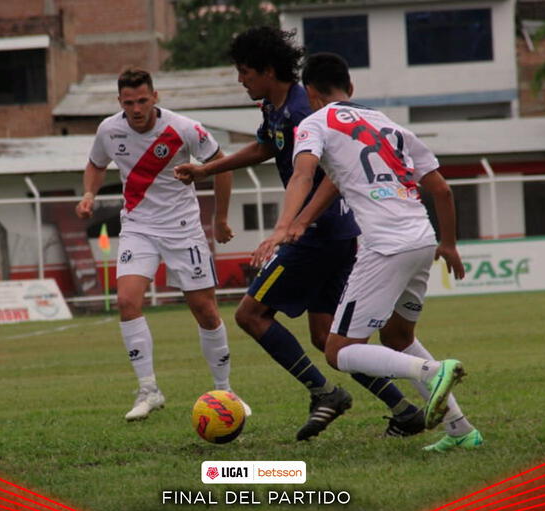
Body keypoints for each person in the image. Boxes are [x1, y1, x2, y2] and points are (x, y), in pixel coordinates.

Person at [175, 27, 425, 441]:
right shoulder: (276, 109)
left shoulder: (300, 110)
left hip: (315, 235)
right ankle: (404, 410)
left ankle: (324, 392)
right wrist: (206, 169)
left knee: (250, 315)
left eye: (245, 72)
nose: (241, 80)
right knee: (329, 338)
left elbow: (323, 175)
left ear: (268, 70)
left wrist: (289, 227)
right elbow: (265, 147)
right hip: (338, 235)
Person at [264, 52, 482, 452]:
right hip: (421, 240)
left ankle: (433, 371)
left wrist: (282, 225)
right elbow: (442, 190)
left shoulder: (315, 122)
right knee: (398, 335)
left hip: (384, 248)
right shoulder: (388, 125)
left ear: (310, 93)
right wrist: (448, 244)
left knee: (338, 351)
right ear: (351, 88)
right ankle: (461, 429)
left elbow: (304, 172)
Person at [76, 67, 249, 421]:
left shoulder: (183, 129)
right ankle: (148, 390)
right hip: (138, 226)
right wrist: (89, 193)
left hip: (183, 229)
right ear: (119, 102)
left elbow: (223, 165)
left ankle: (225, 390)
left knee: (205, 310)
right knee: (126, 301)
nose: (136, 108)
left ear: (155, 97)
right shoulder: (109, 130)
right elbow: (96, 164)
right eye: (129, 102)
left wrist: (219, 218)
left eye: (142, 100)